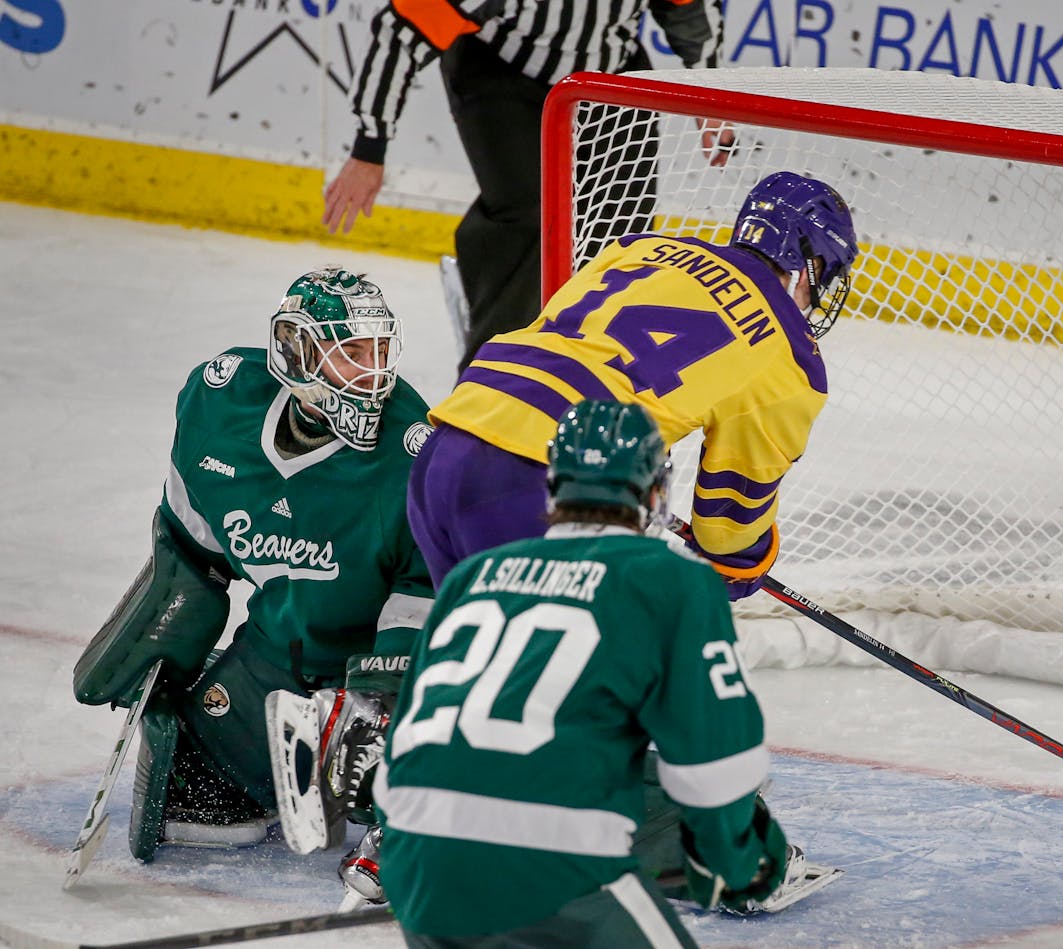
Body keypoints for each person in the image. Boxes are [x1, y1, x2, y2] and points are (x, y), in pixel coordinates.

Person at [378, 398, 805, 946]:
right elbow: (714, 760)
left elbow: (406, 737)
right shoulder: (671, 581)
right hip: (556, 864)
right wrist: (740, 861)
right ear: (655, 490)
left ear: (553, 486)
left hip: (416, 856)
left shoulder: (474, 574)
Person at [71, 268, 435, 908]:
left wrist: (383, 694)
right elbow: (195, 543)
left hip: (374, 661)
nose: (374, 372)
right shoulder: (222, 406)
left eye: (380, 351)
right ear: (296, 349)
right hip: (279, 648)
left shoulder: (414, 451)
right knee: (193, 782)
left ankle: (395, 787)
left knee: (413, 784)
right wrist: (171, 605)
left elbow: (428, 583)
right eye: (352, 352)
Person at [407, 170, 860, 601]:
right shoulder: (791, 358)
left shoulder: (638, 248)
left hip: (448, 440)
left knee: (463, 662)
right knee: (551, 672)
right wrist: (745, 564)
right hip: (544, 485)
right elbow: (726, 531)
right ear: (810, 262)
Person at [323, 0, 736, 373]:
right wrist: (369, 149)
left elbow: (687, 11)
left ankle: (590, 377)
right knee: (533, 215)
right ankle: (491, 377)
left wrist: (711, 97)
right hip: (501, 67)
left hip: (608, 73)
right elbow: (403, 27)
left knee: (616, 236)